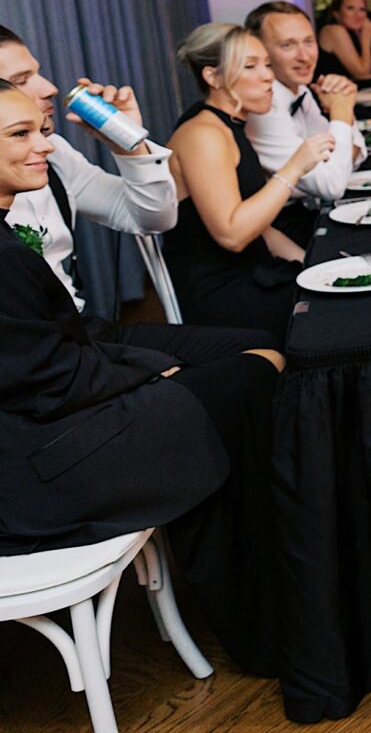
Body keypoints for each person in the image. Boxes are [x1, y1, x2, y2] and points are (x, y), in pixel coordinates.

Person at [0, 80, 283, 671]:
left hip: (46, 418)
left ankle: (264, 615)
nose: (44, 146)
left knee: (241, 381)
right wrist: (153, 374)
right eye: (19, 134)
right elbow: (50, 379)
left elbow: (49, 363)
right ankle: (272, 620)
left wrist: (147, 374)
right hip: (34, 469)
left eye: (40, 130)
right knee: (248, 383)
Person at [166, 23, 336, 340]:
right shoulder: (203, 134)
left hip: (255, 274)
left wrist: (311, 264)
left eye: (267, 64)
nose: (268, 76)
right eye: (250, 66)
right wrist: (294, 167)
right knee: (342, 310)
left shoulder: (230, 126)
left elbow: (262, 227)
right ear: (212, 77)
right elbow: (233, 235)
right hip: (222, 294)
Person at [0, 23, 177, 312]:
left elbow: (152, 219)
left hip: (78, 327)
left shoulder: (55, 154)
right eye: (20, 81)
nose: (51, 88)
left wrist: (129, 145)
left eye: (37, 72)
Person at [243, 0, 368, 202]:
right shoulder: (263, 108)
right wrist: (341, 110)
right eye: (287, 45)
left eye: (309, 41)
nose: (305, 56)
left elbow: (352, 157)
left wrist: (341, 107)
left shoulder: (299, 88)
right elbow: (332, 185)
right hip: (283, 223)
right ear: (260, 50)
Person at [315, 0, 371, 80]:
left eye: (362, 9)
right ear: (336, 13)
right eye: (350, 8)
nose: (358, 15)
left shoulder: (352, 32)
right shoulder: (334, 31)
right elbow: (363, 75)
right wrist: (366, 38)